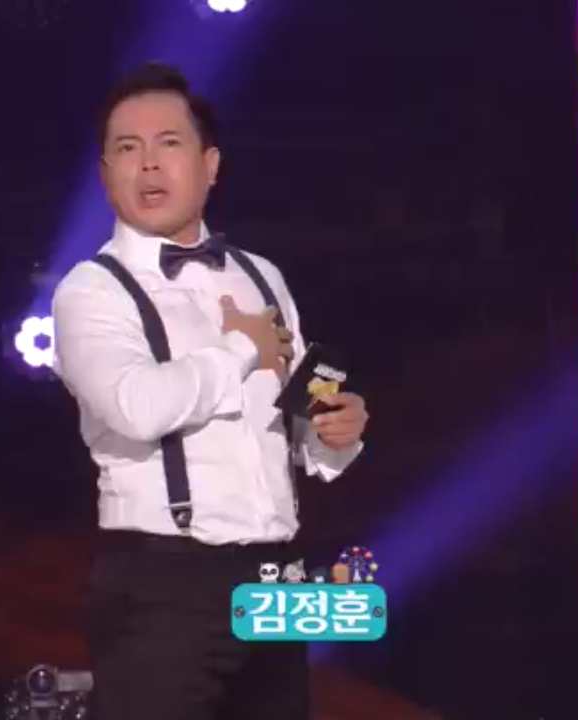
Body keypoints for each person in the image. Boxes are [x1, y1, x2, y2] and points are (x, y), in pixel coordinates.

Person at [51, 61, 370, 720]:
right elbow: (138, 407)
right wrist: (242, 349)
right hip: (165, 580)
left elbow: (298, 410)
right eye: (127, 148)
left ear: (210, 164)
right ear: (105, 173)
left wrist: (335, 432)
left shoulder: (262, 276)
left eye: (168, 143)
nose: (148, 164)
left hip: (276, 575)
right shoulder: (91, 290)